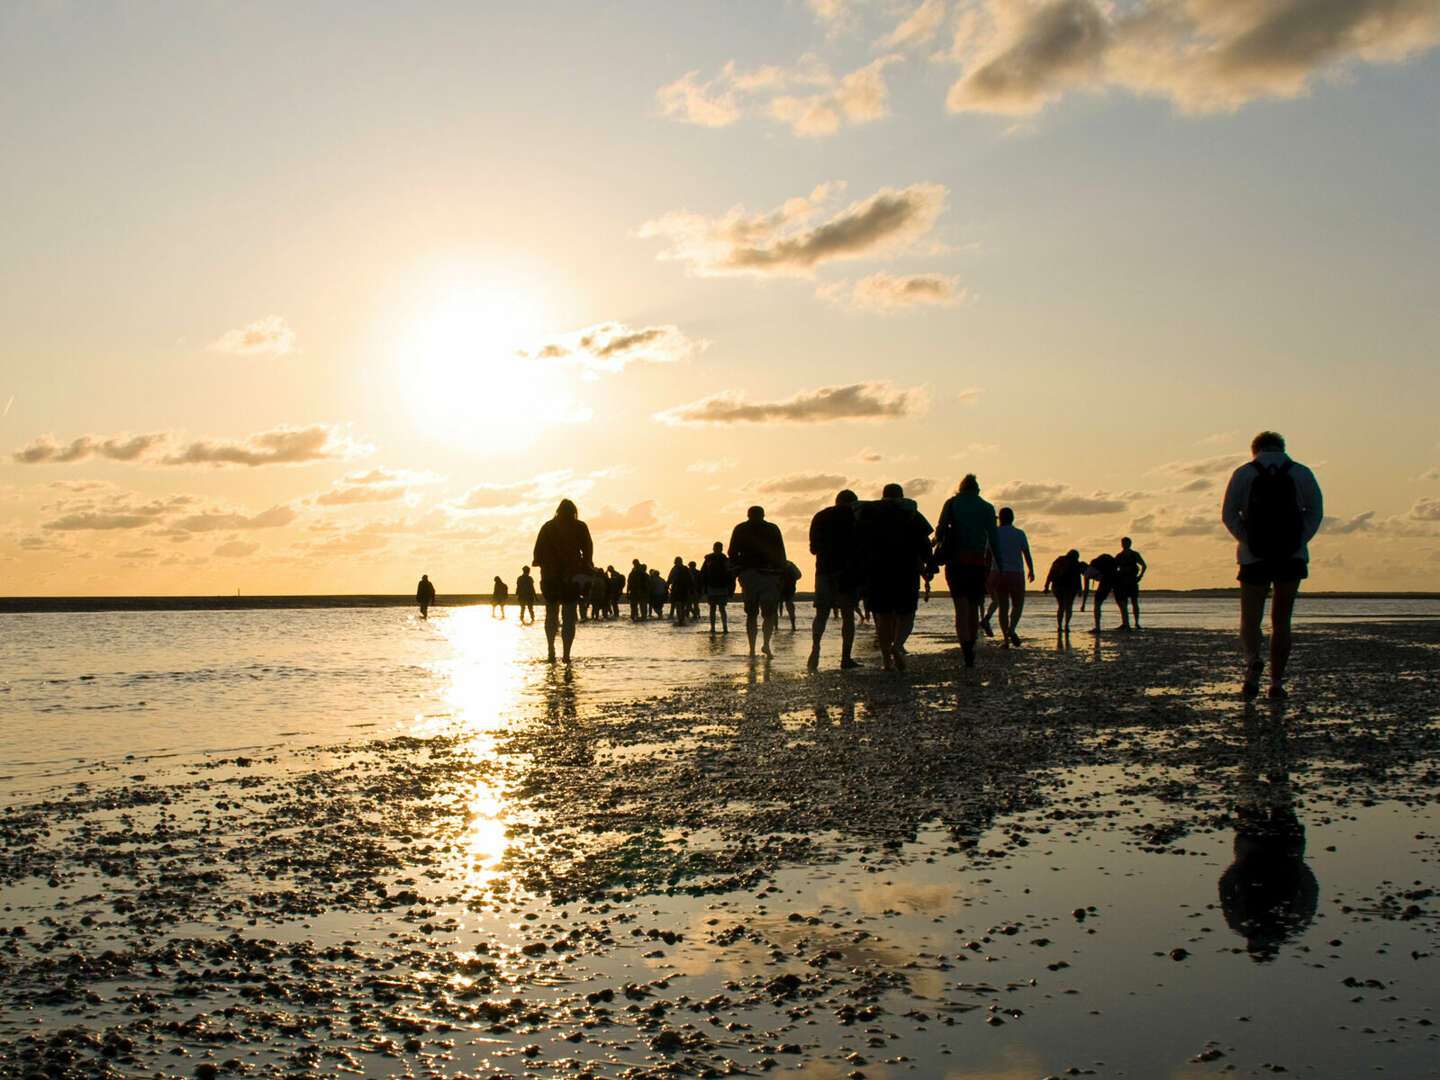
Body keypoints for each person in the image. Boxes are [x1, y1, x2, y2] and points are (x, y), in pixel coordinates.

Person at [1221, 431, 1323, 699]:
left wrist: (1248, 539)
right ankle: (1276, 683)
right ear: (1282, 447)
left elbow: (1229, 513)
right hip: (1292, 556)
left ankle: (1253, 659)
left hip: (1253, 557)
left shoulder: (1244, 473)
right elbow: (1315, 511)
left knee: (1250, 617)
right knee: (1282, 621)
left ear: (1255, 449)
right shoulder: (1301, 472)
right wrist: (1298, 540)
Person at [856, 483, 933, 671]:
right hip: (907, 570)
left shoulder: (869, 512)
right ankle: (897, 646)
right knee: (906, 614)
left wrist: (860, 569)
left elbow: (859, 541)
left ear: (883, 496)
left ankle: (886, 660)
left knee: (882, 617)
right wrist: (929, 565)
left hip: (877, 571)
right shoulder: (911, 513)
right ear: (901, 496)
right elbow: (925, 542)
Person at [932, 475, 1001, 668]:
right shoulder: (987, 508)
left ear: (960, 489)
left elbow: (940, 532)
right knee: (973, 607)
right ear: (977, 490)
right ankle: (972, 647)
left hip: (956, 563)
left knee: (960, 608)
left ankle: (966, 652)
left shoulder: (952, 503)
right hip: (978, 564)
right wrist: (1000, 564)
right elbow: (994, 539)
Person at [532, 499, 594, 663]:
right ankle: (566, 655)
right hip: (571, 578)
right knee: (569, 616)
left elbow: (537, 555)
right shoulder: (580, 526)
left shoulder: (547, 527)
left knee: (551, 613)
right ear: (574, 511)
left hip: (549, 577)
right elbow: (588, 551)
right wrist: (585, 566)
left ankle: (550, 649)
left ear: (558, 511)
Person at [807, 489, 861, 670]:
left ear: (836, 501)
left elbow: (813, 549)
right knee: (848, 615)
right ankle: (846, 657)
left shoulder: (820, 516)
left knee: (821, 614)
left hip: (823, 569)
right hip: (846, 571)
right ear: (853, 502)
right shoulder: (855, 516)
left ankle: (815, 649)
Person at [727, 505, 787, 658]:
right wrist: (781, 571)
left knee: (751, 612)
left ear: (748, 515)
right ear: (763, 515)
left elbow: (732, 552)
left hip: (749, 574)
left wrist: (738, 567)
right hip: (769, 574)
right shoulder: (772, 528)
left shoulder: (740, 528)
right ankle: (766, 644)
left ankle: (752, 648)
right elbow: (781, 551)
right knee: (768, 612)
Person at [988, 507, 1034, 646]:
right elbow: (1026, 553)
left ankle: (1005, 639)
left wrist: (987, 572)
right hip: (1016, 573)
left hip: (998, 572)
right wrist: (1031, 570)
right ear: (1012, 518)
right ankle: (1012, 629)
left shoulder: (994, 533)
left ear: (1000, 518)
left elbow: (988, 555)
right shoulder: (1019, 533)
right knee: (1018, 604)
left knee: (1003, 606)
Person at [1083, 551, 1124, 632]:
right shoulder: (1096, 567)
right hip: (1116, 577)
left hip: (1106, 581)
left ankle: (1097, 627)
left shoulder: (1087, 572)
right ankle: (1126, 625)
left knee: (1097, 604)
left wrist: (1083, 604)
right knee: (1121, 602)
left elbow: (1086, 589)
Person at [698, 542, 734, 633]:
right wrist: (731, 589)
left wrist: (702, 587)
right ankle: (723, 627)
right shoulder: (724, 559)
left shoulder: (710, 559)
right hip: (720, 587)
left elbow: (703, 573)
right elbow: (730, 575)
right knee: (721, 608)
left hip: (714, 587)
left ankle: (714, 628)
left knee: (713, 608)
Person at [1113, 536, 1148, 629]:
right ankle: (1125, 622)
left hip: (1132, 581)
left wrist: (1140, 576)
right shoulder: (1119, 556)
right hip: (1122, 582)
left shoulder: (1134, 554)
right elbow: (1114, 568)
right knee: (1123, 603)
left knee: (1134, 602)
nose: (1124, 545)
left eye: (1125, 543)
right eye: (1123, 543)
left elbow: (1144, 565)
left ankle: (1136, 623)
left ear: (1129, 544)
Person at [666, 556, 694, 626]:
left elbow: (670, 578)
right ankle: (683, 618)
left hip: (677, 589)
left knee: (678, 604)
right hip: (685, 589)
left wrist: (667, 586)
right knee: (684, 605)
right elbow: (691, 578)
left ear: (675, 561)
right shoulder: (686, 568)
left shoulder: (674, 569)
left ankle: (680, 620)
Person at [780, 560, 801, 631]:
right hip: (788, 587)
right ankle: (793, 626)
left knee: (776, 606)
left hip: (785, 587)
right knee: (789, 605)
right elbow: (799, 575)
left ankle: (776, 627)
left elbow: (798, 575)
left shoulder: (788, 564)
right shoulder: (790, 564)